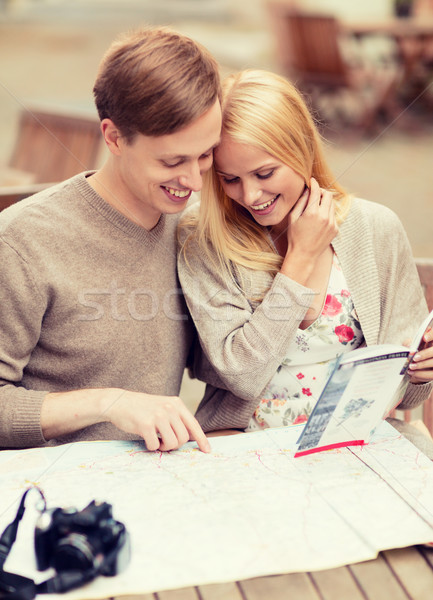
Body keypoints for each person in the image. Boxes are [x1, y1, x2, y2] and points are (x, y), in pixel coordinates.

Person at [178, 69, 433, 452]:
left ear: (301, 149)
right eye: (229, 179)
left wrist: (420, 374)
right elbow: (243, 376)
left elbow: (409, 398)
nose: (249, 195)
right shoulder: (203, 238)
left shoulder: (376, 228)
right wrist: (300, 258)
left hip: (352, 441)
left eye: (265, 173)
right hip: (245, 441)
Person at [0, 26, 223, 452]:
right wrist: (107, 402)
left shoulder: (191, 229)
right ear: (114, 137)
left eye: (206, 154)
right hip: (51, 497)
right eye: (172, 161)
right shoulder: (22, 242)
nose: (194, 180)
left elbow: (224, 364)